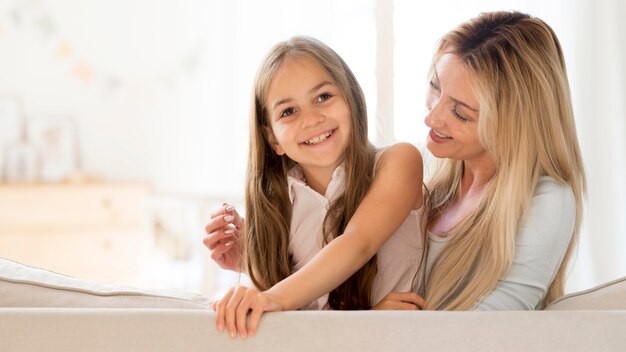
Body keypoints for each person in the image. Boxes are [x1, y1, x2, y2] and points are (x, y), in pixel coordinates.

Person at [203, 36, 425, 338]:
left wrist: (271, 298)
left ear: (351, 98)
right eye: (288, 112)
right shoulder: (278, 203)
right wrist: (251, 259)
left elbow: (357, 243)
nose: (311, 119)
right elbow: (296, 326)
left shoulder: (398, 162)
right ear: (273, 140)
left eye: (322, 97)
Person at [406, 10, 586, 310]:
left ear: (514, 123)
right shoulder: (420, 167)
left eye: (461, 113)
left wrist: (385, 325)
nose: (431, 117)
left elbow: (492, 331)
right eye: (435, 86)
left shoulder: (546, 200)